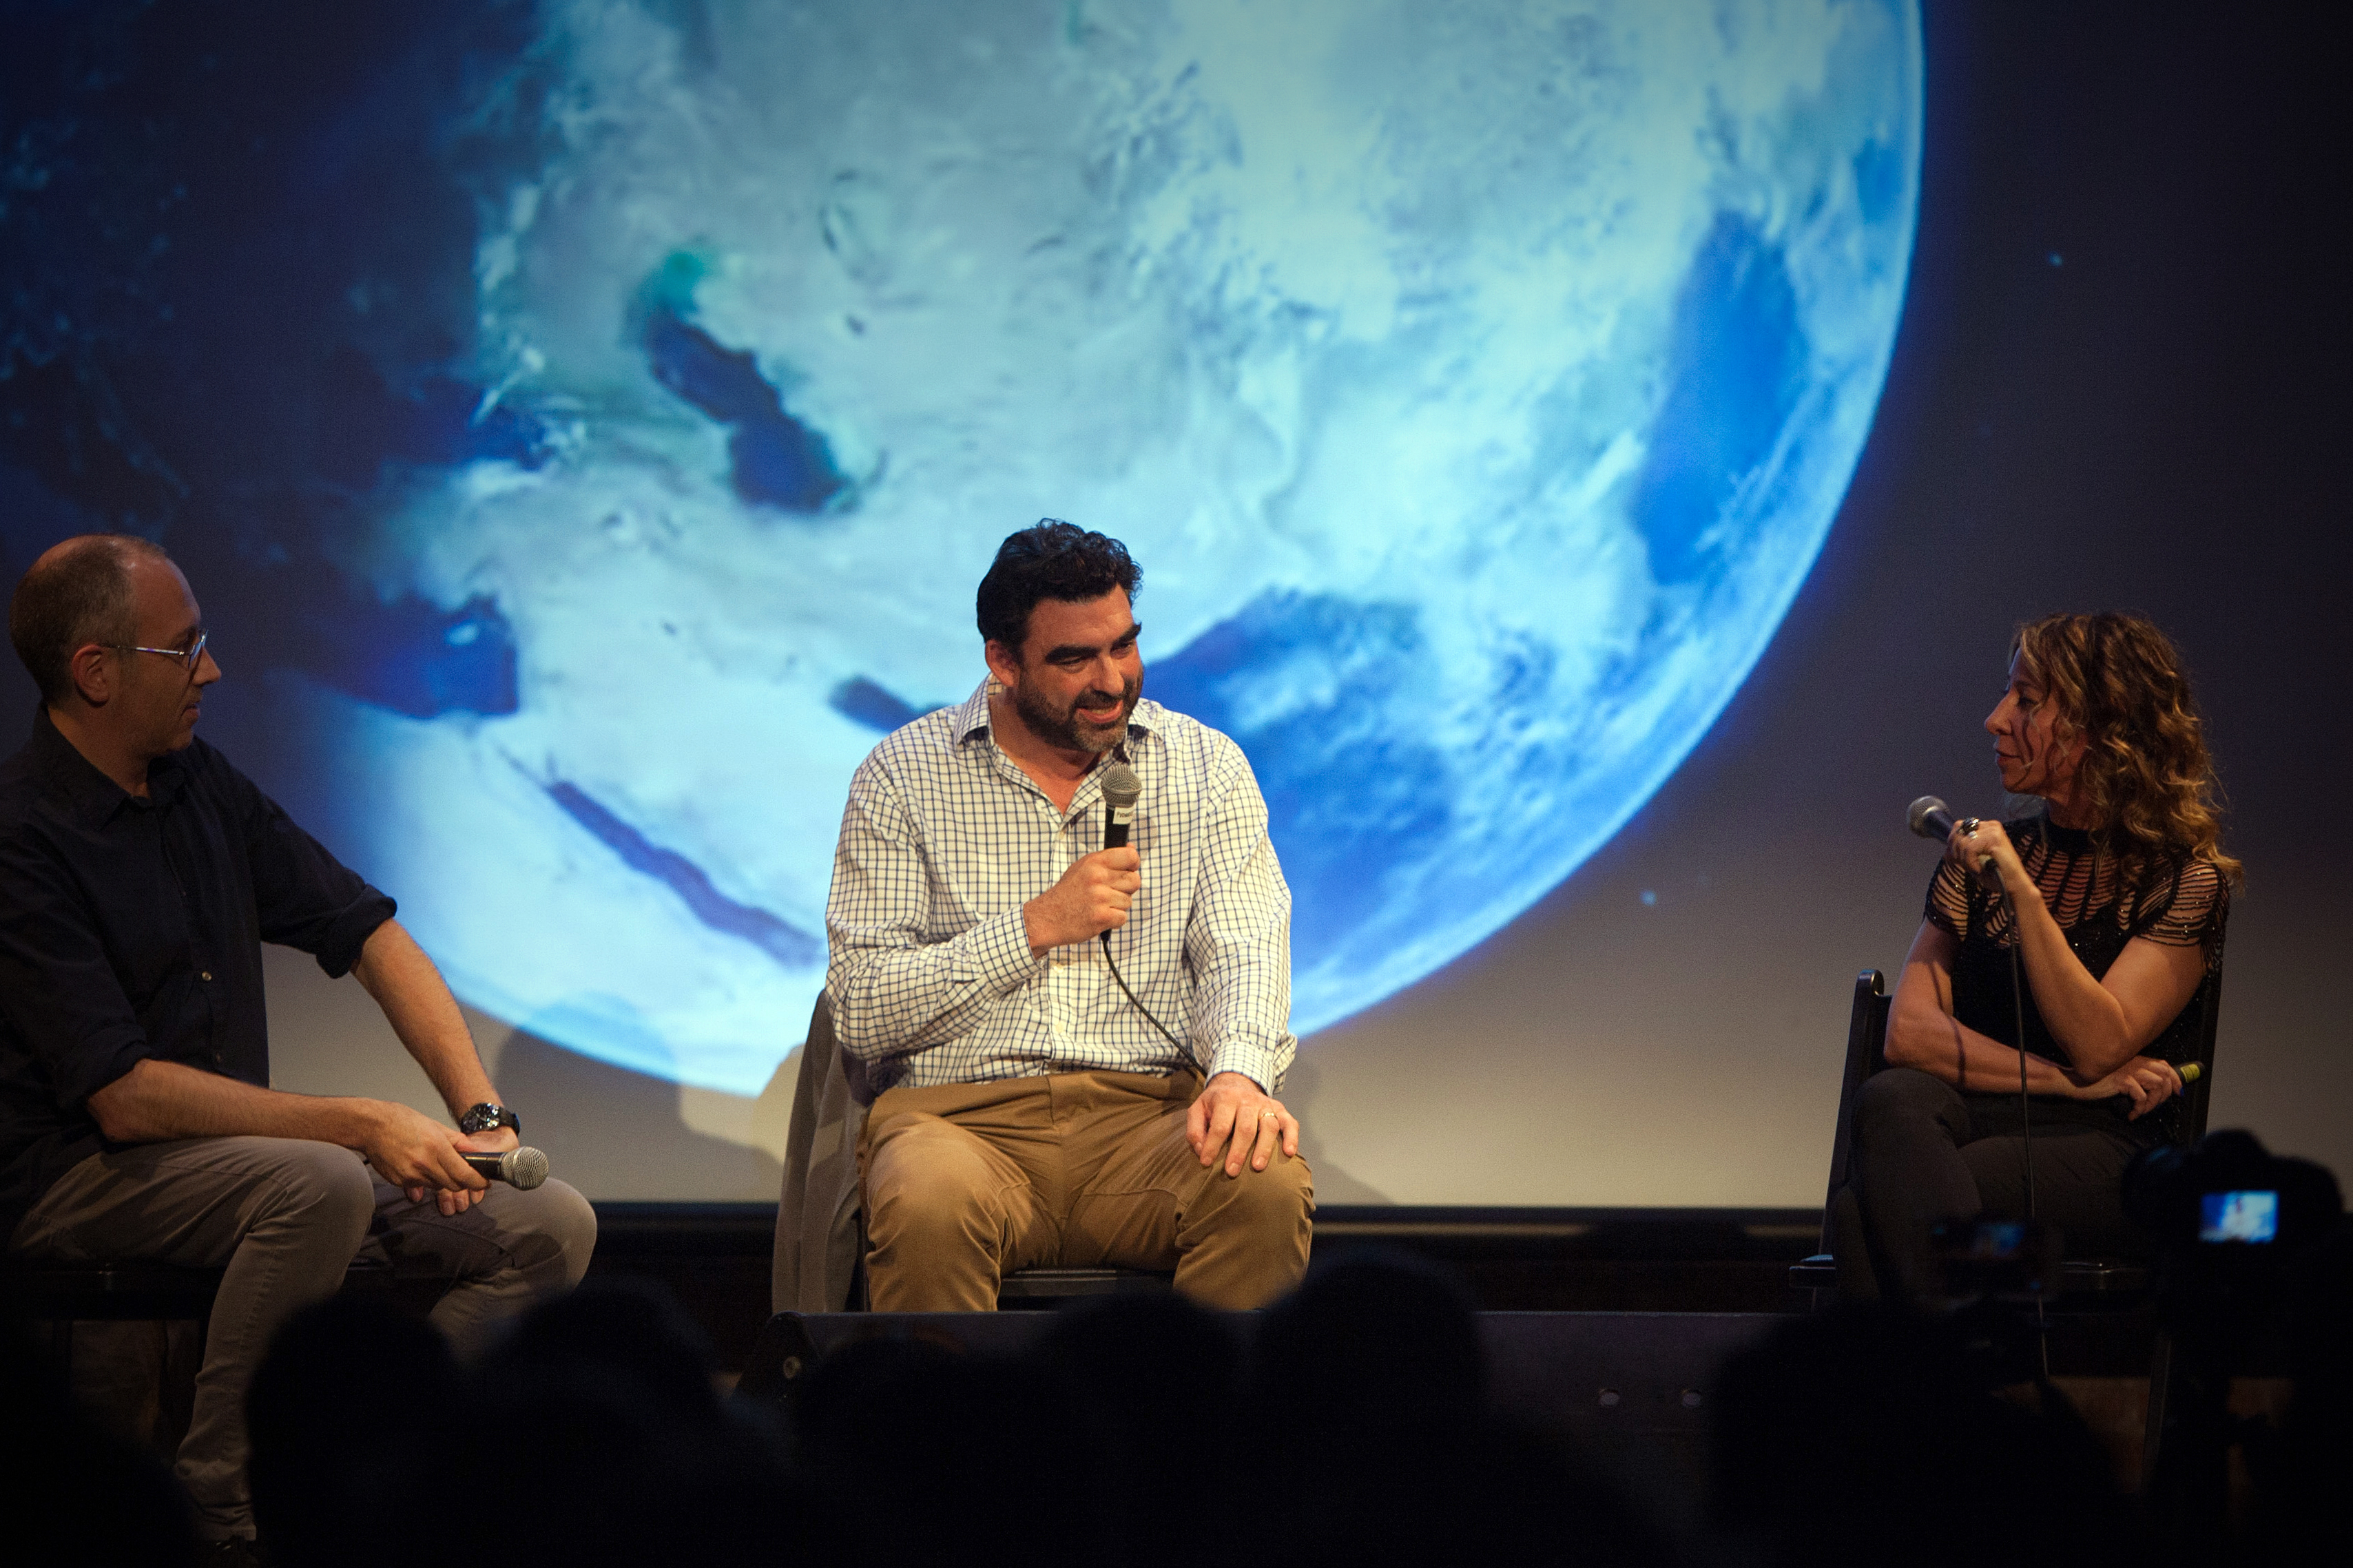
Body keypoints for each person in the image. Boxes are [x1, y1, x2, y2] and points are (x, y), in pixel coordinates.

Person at [0, 535, 597, 1558]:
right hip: (76, 1176)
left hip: (244, 1169)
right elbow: (123, 1099)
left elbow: (368, 933)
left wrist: (481, 1115)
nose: (213, 671)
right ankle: (220, 1497)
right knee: (317, 1182)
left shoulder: (200, 786)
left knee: (551, 1222)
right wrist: (363, 1123)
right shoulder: (23, 837)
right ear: (95, 672)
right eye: (182, 650)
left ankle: (385, 1463)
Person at [825, 519, 1312, 1309]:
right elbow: (863, 1010)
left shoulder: (1205, 767)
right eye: (1074, 658)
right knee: (926, 1202)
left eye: (1122, 645)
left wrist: (1235, 1076)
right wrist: (1030, 929)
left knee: (1258, 1178)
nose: (1112, 680)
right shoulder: (902, 776)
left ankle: (1216, 1434)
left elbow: (1245, 949)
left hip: (1151, 1121)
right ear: (1003, 662)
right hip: (961, 1128)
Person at [1838, 611, 2236, 1302]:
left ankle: (1948, 1387)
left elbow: (2098, 1042)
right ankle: (1981, 1368)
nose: (1995, 720)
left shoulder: (2183, 880)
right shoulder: (1984, 857)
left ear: (2098, 728)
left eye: (2025, 700)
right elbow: (1908, 1035)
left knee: (1863, 1211)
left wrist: (2021, 892)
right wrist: (2060, 1082)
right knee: (1891, 1096)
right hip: (1996, 1111)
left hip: (2117, 1149)